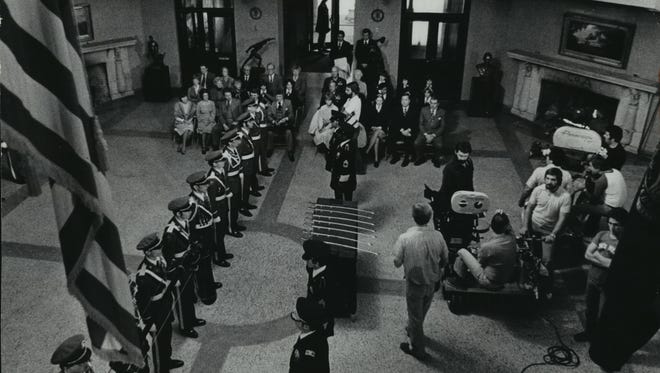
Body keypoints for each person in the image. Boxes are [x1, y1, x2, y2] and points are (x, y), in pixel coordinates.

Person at [393, 202, 448, 359]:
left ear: (413, 217)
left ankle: (417, 349)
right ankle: (413, 329)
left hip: (415, 283)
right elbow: (445, 259)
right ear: (429, 218)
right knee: (423, 308)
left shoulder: (405, 238)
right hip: (433, 281)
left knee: (415, 315)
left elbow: (396, 262)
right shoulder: (438, 236)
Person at [574, 208, 627, 343]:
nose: (612, 227)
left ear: (623, 225)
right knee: (590, 309)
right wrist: (606, 262)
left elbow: (615, 266)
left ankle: (602, 340)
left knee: (604, 314)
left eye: (616, 225)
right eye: (610, 223)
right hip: (592, 280)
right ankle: (589, 333)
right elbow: (587, 254)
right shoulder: (602, 234)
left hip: (608, 284)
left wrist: (597, 256)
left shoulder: (624, 243)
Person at [134, 233, 185, 372]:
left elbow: (165, 275)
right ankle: (160, 369)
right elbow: (142, 301)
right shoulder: (143, 276)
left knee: (166, 337)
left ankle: (166, 361)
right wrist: (149, 322)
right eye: (157, 248)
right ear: (148, 252)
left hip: (165, 304)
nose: (161, 249)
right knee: (159, 343)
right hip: (156, 312)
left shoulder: (159, 259)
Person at [162, 197, 206, 338]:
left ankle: (191, 319)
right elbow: (168, 259)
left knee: (188, 294)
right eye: (186, 211)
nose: (189, 212)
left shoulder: (184, 222)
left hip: (186, 264)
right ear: (178, 214)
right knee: (182, 299)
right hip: (178, 270)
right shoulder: (170, 233)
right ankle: (185, 327)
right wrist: (174, 278)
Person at [451, 211, 517, 290]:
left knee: (462, 251)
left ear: (491, 226)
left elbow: (480, 262)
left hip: (489, 282)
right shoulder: (512, 237)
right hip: (504, 278)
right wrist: (502, 215)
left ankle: (459, 282)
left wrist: (476, 252)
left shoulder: (488, 247)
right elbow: (508, 226)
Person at [520, 167, 572, 267]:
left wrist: (553, 234)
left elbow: (562, 218)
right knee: (526, 254)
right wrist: (525, 226)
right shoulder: (538, 190)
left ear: (559, 181)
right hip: (533, 225)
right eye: (547, 178)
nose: (549, 182)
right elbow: (529, 208)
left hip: (548, 231)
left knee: (546, 261)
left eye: (553, 180)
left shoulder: (565, 197)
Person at [204, 150, 235, 267]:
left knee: (221, 233)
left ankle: (222, 253)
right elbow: (211, 201)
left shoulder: (220, 171)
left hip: (223, 204)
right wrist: (215, 215)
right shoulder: (212, 180)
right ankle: (218, 257)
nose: (223, 162)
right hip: (218, 208)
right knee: (218, 234)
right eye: (220, 161)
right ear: (214, 164)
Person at [302, 239, 337, 337]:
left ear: (316, 263)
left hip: (322, 311)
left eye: (309, 259)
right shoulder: (311, 268)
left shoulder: (327, 279)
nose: (306, 261)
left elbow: (329, 302)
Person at [289, 297, 330, 373]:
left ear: (306, 326)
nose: (294, 313)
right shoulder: (318, 334)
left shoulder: (308, 352)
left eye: (296, 317)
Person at [221, 129, 246, 237]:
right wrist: (227, 190)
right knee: (231, 208)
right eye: (236, 140)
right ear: (230, 142)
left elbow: (238, 164)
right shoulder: (226, 156)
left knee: (236, 205)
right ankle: (230, 229)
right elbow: (224, 175)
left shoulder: (234, 150)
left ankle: (234, 224)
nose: (238, 141)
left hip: (236, 180)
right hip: (230, 183)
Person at [438, 141, 474, 212]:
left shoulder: (469, 162)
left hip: (464, 194)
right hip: (452, 196)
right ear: (455, 152)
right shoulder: (449, 168)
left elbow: (470, 181)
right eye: (460, 156)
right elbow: (446, 189)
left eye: (465, 156)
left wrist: (472, 196)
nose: (463, 159)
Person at [327, 119, 356, 201]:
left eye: (340, 132)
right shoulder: (342, 143)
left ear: (344, 135)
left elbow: (346, 167)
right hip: (337, 174)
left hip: (343, 178)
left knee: (346, 195)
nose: (337, 133)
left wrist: (341, 180)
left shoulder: (347, 149)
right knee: (338, 194)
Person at [414, 95, 445, 167]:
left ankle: (436, 158)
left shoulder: (442, 112)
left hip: (436, 132)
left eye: (435, 103)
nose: (432, 105)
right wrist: (426, 134)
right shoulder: (423, 110)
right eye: (431, 103)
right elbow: (421, 124)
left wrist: (434, 135)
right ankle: (420, 157)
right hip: (425, 132)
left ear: (438, 104)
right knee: (416, 143)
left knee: (439, 145)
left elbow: (442, 126)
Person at [389, 93, 417, 167]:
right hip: (399, 130)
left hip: (409, 131)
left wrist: (408, 130)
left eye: (406, 99)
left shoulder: (414, 110)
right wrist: (402, 131)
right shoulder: (396, 109)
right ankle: (396, 156)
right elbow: (394, 122)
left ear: (409, 101)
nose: (404, 101)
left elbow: (415, 123)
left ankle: (406, 158)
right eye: (402, 100)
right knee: (390, 137)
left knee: (408, 138)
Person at [267, 91, 295, 161]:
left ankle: (290, 151)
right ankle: (269, 149)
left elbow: (291, 115)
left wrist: (285, 119)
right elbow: (269, 115)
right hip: (275, 124)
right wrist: (273, 121)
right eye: (277, 97)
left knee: (288, 133)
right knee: (269, 133)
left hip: (284, 124)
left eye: (280, 96)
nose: (278, 98)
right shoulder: (273, 104)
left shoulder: (288, 103)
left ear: (283, 97)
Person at [365, 95, 390, 167]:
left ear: (383, 101)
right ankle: (376, 160)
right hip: (373, 130)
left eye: (381, 100)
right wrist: (372, 127)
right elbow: (368, 121)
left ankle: (367, 150)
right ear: (375, 100)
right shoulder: (371, 109)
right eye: (378, 100)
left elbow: (387, 122)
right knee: (377, 139)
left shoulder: (385, 109)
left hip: (382, 131)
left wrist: (380, 127)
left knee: (378, 132)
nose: (379, 102)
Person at [195, 90, 216, 154]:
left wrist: (210, 120)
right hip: (202, 120)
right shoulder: (199, 103)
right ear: (202, 96)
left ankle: (207, 145)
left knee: (210, 130)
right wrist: (202, 120)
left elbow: (213, 112)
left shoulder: (212, 103)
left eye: (207, 95)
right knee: (203, 130)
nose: (205, 97)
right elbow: (197, 114)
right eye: (204, 95)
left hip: (210, 119)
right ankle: (204, 147)